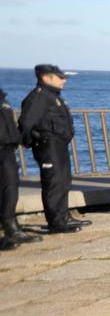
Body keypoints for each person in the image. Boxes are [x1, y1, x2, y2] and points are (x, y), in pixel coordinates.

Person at [19, 65, 82, 232]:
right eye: (59, 77)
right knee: (53, 182)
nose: (64, 80)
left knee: (63, 181)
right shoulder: (39, 97)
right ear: (46, 78)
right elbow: (26, 123)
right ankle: (56, 223)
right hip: (48, 146)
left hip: (59, 145)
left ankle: (63, 216)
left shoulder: (53, 96)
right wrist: (34, 141)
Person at [0, 86, 37, 249]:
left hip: (7, 149)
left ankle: (11, 227)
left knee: (10, 188)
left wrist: (20, 138)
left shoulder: (3, 100)